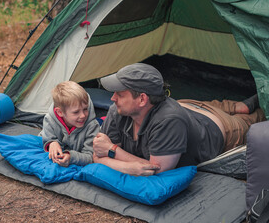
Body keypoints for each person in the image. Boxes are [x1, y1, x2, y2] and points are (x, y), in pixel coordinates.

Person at [93, 63, 266, 176]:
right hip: (187, 106)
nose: (113, 98)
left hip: (219, 125)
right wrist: (125, 165)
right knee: (239, 107)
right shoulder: (118, 110)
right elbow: (98, 154)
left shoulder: (168, 121)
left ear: (142, 99)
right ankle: (240, 105)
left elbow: (155, 170)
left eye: (120, 94)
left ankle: (259, 96)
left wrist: (112, 150)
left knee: (258, 117)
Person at [39, 81, 100, 167]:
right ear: (60, 112)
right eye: (76, 112)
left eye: (85, 109)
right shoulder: (49, 120)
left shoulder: (92, 127)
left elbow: (90, 156)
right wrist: (52, 143)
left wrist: (71, 157)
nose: (83, 115)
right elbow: (45, 137)